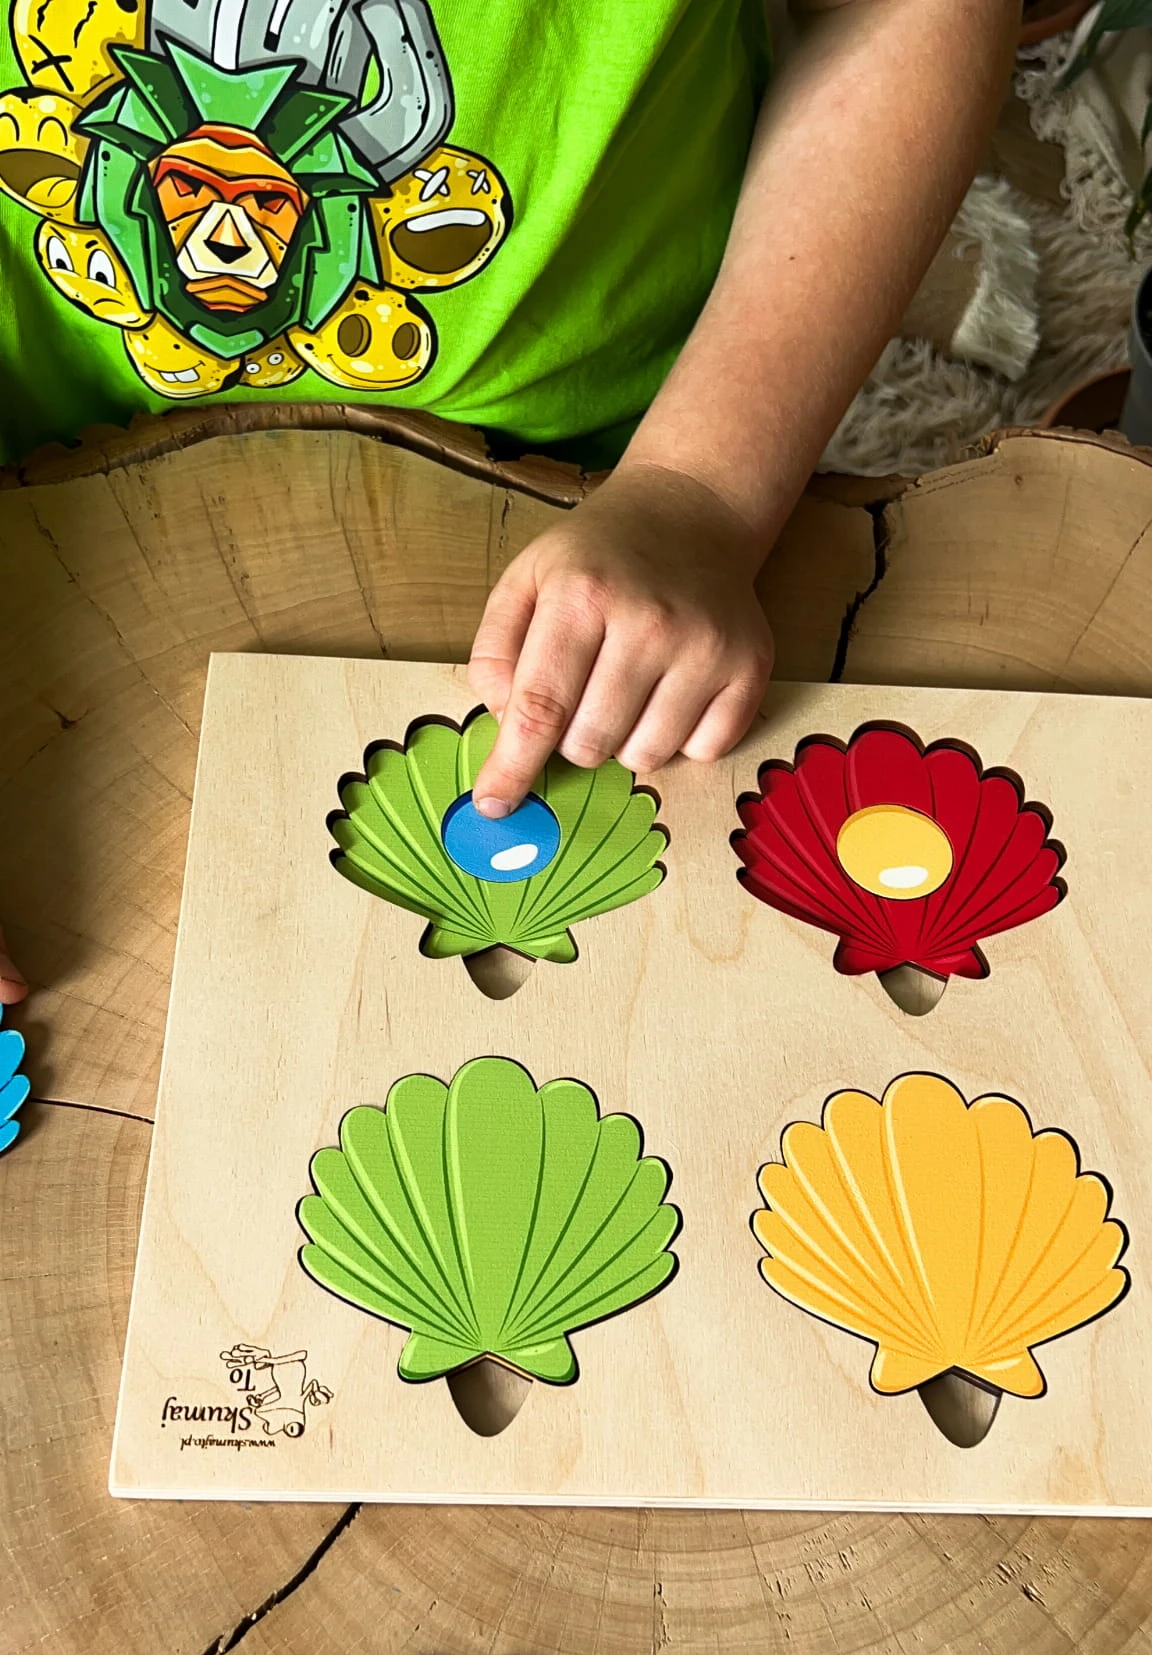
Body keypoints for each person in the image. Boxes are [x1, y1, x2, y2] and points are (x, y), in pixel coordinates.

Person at [0, 0, 1019, 991]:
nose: (225, 238)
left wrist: (700, 487)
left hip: (613, 468)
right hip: (47, 469)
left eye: (260, 206)